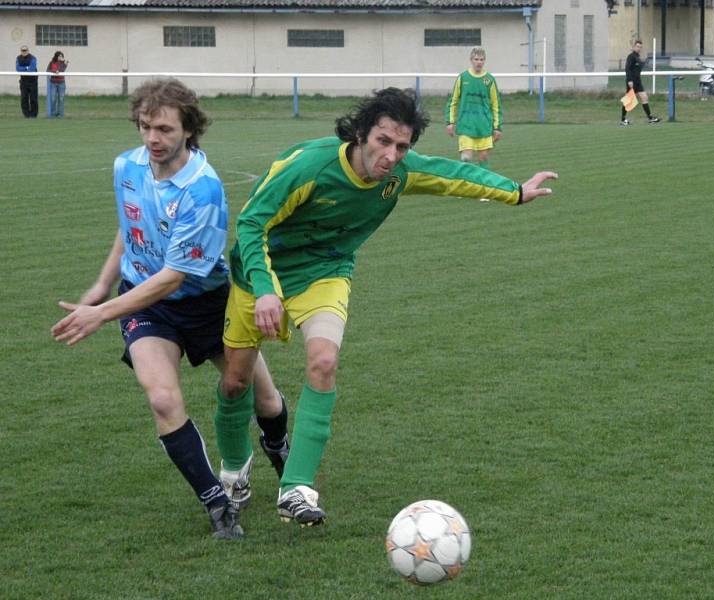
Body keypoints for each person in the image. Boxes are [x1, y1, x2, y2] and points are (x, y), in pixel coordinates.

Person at [215, 87, 558, 527]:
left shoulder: (399, 174)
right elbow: (252, 221)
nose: (392, 155)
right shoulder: (309, 166)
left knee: (323, 361)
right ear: (360, 133)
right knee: (235, 382)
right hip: (259, 272)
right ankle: (233, 470)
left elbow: (451, 175)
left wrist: (514, 191)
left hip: (324, 272)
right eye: (383, 141)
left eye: (402, 146)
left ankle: (296, 488)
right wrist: (264, 289)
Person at [50, 77, 266, 540]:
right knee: (163, 399)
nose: (152, 138)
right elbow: (130, 227)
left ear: (189, 129)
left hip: (207, 303)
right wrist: (102, 284)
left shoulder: (202, 190)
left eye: (165, 129)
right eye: (146, 126)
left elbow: (174, 275)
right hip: (148, 305)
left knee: (253, 392)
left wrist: (102, 312)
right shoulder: (127, 166)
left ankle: (282, 450)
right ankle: (218, 507)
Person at [445, 46, 503, 181]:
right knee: (466, 157)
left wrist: (497, 127)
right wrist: (450, 122)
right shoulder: (463, 77)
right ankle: (464, 186)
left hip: (484, 126)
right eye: (476, 59)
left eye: (481, 59)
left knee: (483, 158)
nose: (479, 62)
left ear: (485, 61)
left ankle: (484, 187)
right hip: (466, 125)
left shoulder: (489, 80)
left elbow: (496, 104)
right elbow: (453, 101)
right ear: (471, 60)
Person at [620, 40, 660, 125]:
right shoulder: (631, 56)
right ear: (634, 47)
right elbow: (628, 69)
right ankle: (623, 120)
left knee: (644, 97)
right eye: (637, 46)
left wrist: (645, 62)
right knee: (629, 101)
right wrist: (629, 80)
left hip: (638, 82)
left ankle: (650, 118)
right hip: (632, 82)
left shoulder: (637, 57)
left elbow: (640, 65)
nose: (639, 48)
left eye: (640, 47)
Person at [15, 45, 38, 118]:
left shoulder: (33, 58)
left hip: (33, 81)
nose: (24, 52)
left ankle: (33, 115)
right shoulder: (18, 58)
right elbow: (18, 69)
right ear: (21, 51)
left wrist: (25, 69)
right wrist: (26, 68)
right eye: (22, 50)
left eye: (25, 50)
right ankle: (26, 114)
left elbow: (32, 69)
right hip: (23, 81)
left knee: (33, 98)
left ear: (28, 51)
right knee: (24, 98)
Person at [46, 51, 68, 118]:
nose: (61, 57)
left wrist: (64, 63)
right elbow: (48, 70)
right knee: (53, 98)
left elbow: (62, 70)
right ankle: (53, 114)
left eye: (62, 56)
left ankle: (60, 114)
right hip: (53, 82)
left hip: (61, 83)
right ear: (56, 56)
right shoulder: (51, 62)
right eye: (59, 56)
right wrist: (54, 71)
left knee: (61, 99)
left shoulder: (64, 63)